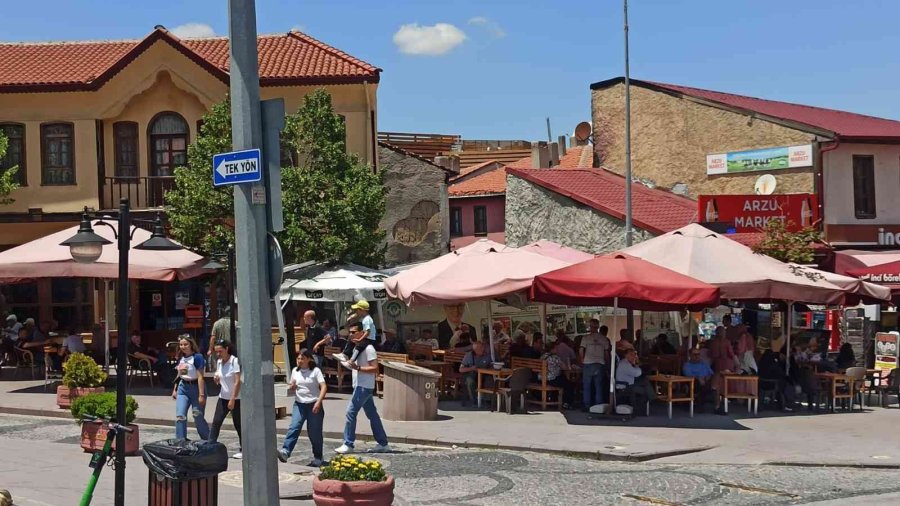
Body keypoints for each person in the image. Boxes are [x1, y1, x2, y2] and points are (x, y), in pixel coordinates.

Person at [335, 325, 391, 454]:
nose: (351, 334)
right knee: (373, 415)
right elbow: (355, 365)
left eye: (354, 332)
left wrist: (358, 368)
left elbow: (375, 369)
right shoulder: (358, 347)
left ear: (362, 333)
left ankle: (348, 443)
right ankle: (383, 443)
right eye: (350, 332)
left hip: (364, 386)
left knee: (350, 412)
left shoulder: (369, 348)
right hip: (360, 385)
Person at [279, 349, 327, 466]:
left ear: (309, 359)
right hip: (299, 404)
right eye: (298, 358)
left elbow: (323, 387)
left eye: (302, 358)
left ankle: (318, 457)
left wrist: (318, 402)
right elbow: (293, 387)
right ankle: (286, 451)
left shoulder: (315, 371)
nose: (300, 361)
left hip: (313, 404)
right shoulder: (295, 371)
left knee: (314, 433)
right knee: (294, 427)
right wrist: (293, 386)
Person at [208, 340, 242, 458]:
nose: (218, 354)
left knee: (238, 424)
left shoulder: (234, 361)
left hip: (236, 398)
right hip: (223, 396)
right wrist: (216, 379)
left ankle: (243, 448)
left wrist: (233, 399)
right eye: (216, 352)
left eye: (220, 351)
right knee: (216, 422)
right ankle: (210, 446)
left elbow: (237, 382)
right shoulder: (219, 362)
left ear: (227, 349)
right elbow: (220, 378)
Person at [172, 335, 209, 440]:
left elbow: (200, 377)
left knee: (197, 415)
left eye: (185, 344)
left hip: (196, 388)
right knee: (180, 416)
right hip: (183, 388)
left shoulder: (197, 357)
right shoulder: (181, 358)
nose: (183, 347)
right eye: (181, 344)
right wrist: (174, 389)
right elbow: (180, 374)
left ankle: (207, 439)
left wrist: (201, 395)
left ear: (191, 344)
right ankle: (180, 440)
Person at [580, 320, 610, 409]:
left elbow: (581, 350)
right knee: (599, 386)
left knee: (587, 386)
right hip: (600, 363)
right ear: (598, 327)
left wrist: (582, 360)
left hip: (588, 363)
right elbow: (606, 354)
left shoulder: (585, 338)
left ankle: (587, 405)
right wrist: (607, 364)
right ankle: (599, 406)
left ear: (590, 326)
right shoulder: (604, 339)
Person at [458, 340, 493, 406]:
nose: (483, 350)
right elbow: (461, 369)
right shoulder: (469, 356)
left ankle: (488, 400)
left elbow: (492, 365)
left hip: (483, 374)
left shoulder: (488, 356)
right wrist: (471, 368)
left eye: (483, 348)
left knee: (489, 379)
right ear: (475, 350)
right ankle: (473, 400)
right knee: (470, 381)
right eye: (480, 349)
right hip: (471, 374)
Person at [683, 348, 718, 412]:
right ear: (690, 355)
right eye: (695, 354)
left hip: (706, 380)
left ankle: (717, 407)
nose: (697, 356)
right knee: (701, 385)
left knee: (715, 380)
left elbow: (711, 373)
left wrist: (707, 377)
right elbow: (688, 375)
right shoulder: (687, 365)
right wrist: (698, 378)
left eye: (698, 354)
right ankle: (701, 404)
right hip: (694, 382)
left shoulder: (704, 364)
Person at [709, 326, 734, 415]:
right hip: (726, 366)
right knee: (724, 386)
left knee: (716, 386)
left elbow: (711, 354)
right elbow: (731, 354)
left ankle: (718, 405)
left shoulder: (713, 342)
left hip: (716, 366)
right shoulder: (727, 342)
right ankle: (721, 405)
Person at [543, 341, 574, 408]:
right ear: (551, 349)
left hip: (543, 379)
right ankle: (566, 402)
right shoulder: (555, 358)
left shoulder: (542, 356)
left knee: (562, 379)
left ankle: (554, 400)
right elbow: (565, 367)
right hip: (553, 379)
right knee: (568, 384)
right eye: (556, 348)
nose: (557, 350)